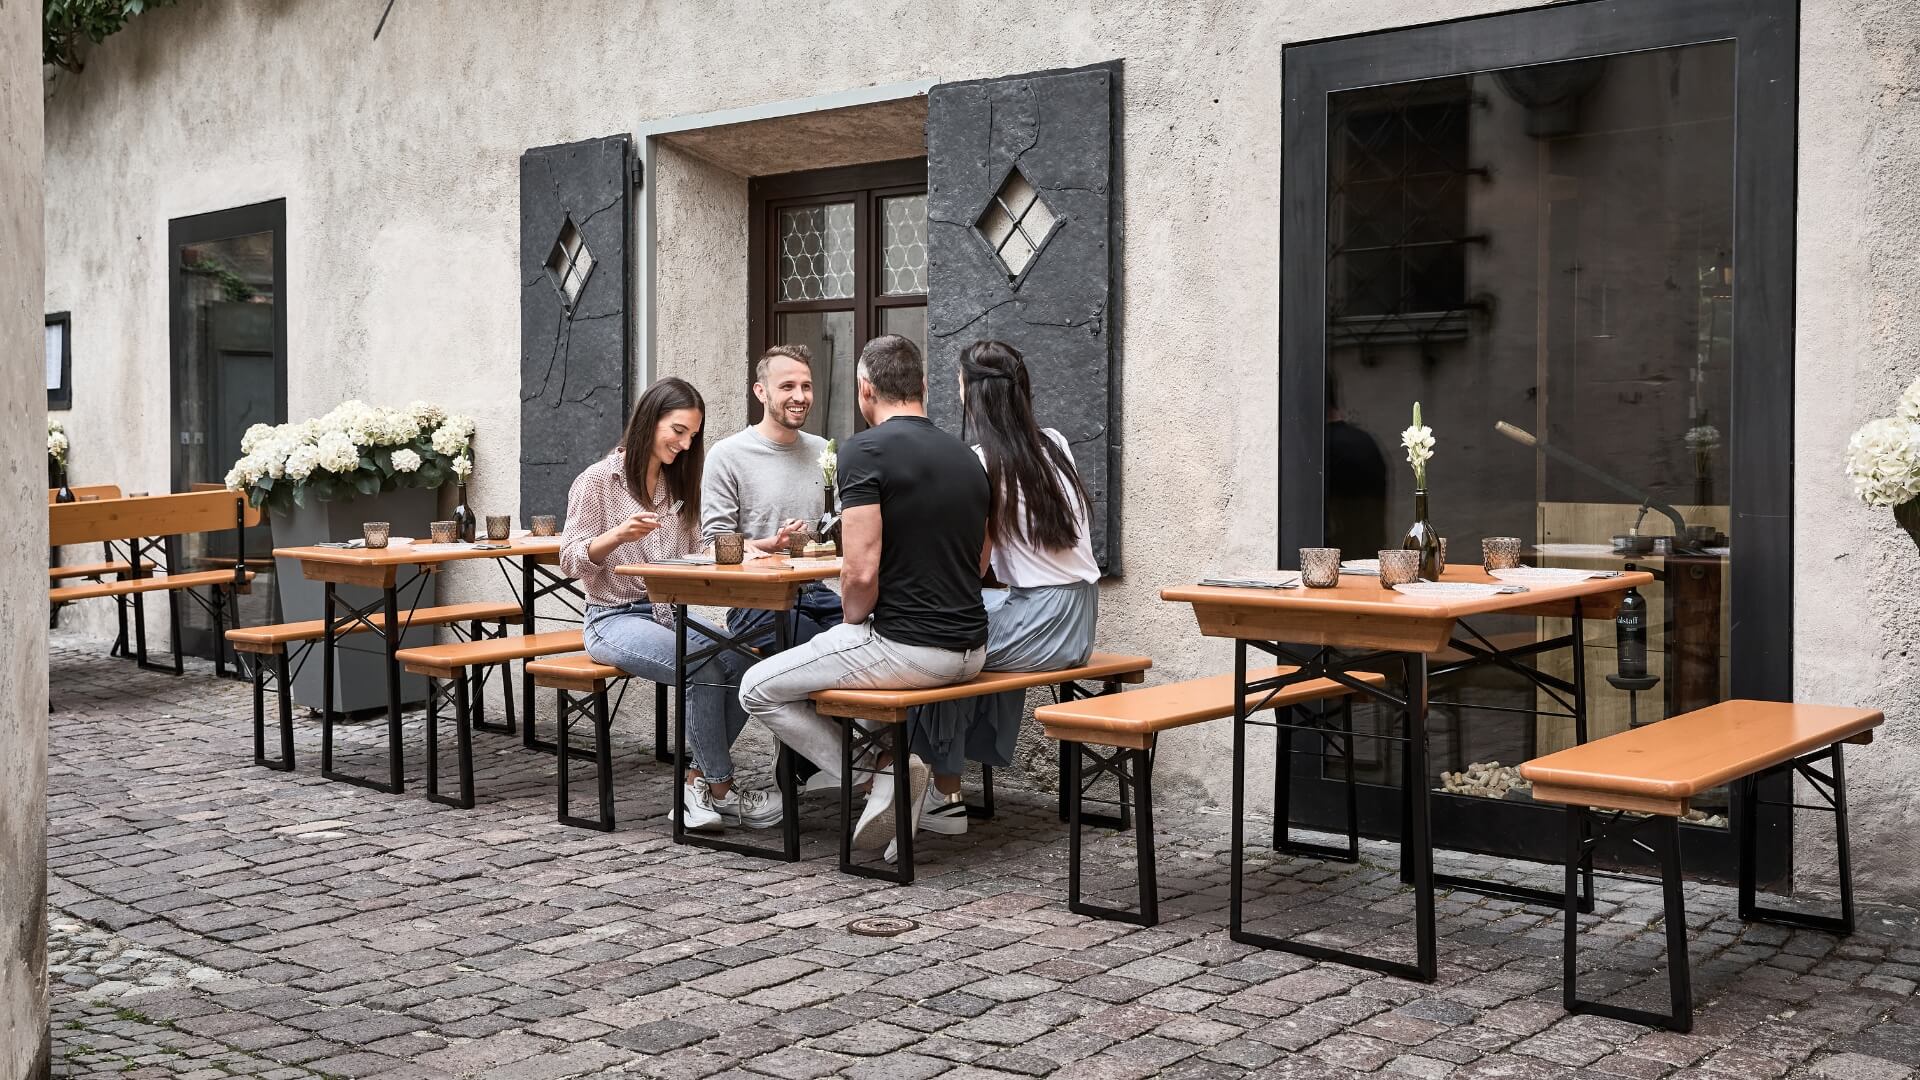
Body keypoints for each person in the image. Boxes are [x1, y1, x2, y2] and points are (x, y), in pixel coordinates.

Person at [738, 334, 990, 851]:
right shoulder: (967, 456)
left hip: (909, 648)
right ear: (922, 386)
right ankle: (890, 771)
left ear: (864, 389)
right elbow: (981, 560)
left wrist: (853, 623)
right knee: (848, 673)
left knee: (756, 687)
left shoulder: (865, 450)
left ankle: (880, 774)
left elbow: (859, 572)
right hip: (972, 649)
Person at [559, 377, 781, 833]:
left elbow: (698, 545)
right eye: (677, 431)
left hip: (667, 612)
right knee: (702, 665)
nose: (684, 444)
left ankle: (696, 782)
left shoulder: (677, 481)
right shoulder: (599, 481)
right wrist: (616, 535)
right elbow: (569, 558)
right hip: (611, 618)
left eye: (692, 436)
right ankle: (720, 788)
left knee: (746, 664)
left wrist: (757, 545)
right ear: (650, 420)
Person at [907, 340, 1100, 843]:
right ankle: (950, 767)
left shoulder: (980, 461)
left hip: (1042, 618)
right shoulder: (1053, 441)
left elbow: (975, 561)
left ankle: (942, 790)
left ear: (974, 393)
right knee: (974, 620)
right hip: (1078, 616)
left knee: (945, 646)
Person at [700, 344, 844, 648]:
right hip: (754, 600)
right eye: (787, 386)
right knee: (823, 651)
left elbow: (838, 530)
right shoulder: (727, 455)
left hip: (818, 592)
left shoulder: (823, 450)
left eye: (806, 386)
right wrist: (771, 545)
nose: (800, 397)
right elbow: (714, 543)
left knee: (873, 638)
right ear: (761, 392)